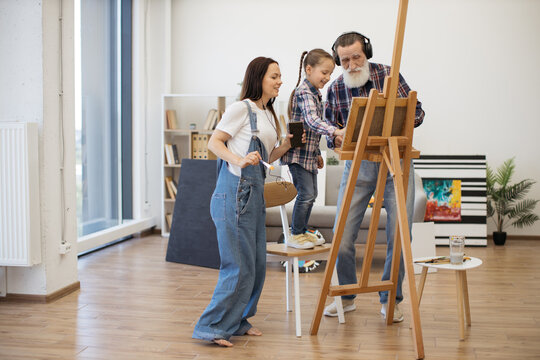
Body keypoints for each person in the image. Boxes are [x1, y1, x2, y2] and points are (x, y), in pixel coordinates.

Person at [322, 32, 425, 322]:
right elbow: (331, 134)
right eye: (345, 60)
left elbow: (418, 111)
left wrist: (400, 117)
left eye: (357, 56)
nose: (352, 64)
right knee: (341, 235)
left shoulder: (389, 75)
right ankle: (346, 295)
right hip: (359, 166)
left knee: (400, 235)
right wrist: (337, 138)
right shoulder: (335, 89)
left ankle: (391, 298)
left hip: (396, 162)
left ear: (366, 52)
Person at [192, 57, 293, 347]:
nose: (279, 81)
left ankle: (238, 320)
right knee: (238, 265)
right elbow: (214, 142)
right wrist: (238, 159)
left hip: (253, 195)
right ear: (258, 77)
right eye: (274, 76)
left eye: (280, 76)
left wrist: (282, 148)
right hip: (234, 193)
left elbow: (263, 160)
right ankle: (211, 326)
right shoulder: (242, 108)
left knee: (257, 264)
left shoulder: (268, 114)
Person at [281, 49, 346, 249]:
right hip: (297, 156)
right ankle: (296, 233)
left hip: (308, 156)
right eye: (324, 72)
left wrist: (317, 153)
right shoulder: (304, 92)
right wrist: (335, 132)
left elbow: (312, 132)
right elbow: (312, 121)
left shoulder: (316, 94)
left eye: (330, 74)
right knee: (306, 194)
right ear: (309, 69)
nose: (327, 78)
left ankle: (301, 231)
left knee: (312, 194)